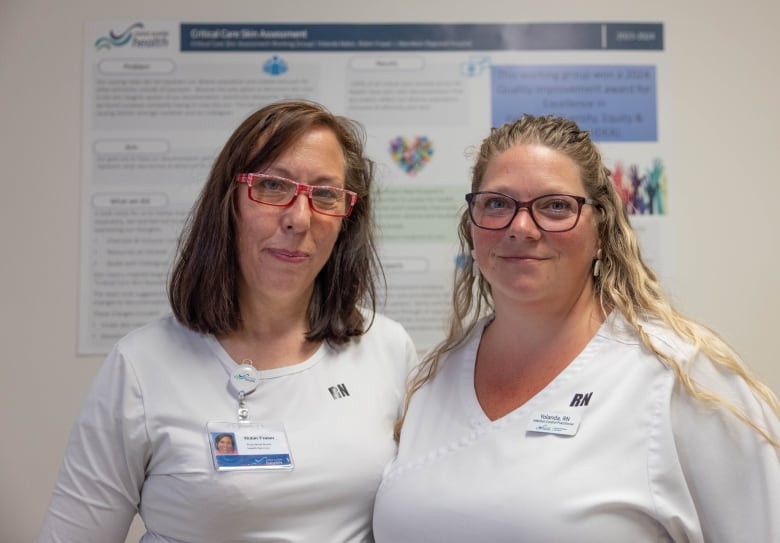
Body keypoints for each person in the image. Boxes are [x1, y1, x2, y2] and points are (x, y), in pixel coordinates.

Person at [372, 114, 780, 542]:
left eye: (555, 206)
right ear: (472, 226)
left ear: (601, 230)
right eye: (497, 203)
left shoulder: (680, 378)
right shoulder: (430, 381)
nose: (521, 228)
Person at [39, 100, 417, 542]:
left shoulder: (387, 350)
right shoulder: (141, 367)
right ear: (229, 202)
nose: (299, 218)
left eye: (325, 194)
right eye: (273, 186)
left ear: (347, 218)